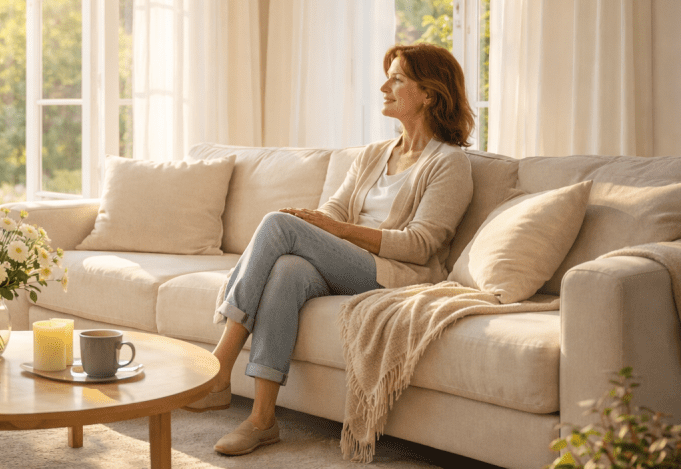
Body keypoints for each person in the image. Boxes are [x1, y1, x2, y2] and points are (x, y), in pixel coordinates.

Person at [185, 43, 476, 456]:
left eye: (397, 79)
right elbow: (334, 210)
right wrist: (319, 231)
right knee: (287, 268)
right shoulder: (375, 154)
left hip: (393, 274)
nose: (383, 87)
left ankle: (220, 364)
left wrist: (330, 230)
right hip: (348, 262)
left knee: (277, 224)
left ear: (429, 94)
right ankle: (262, 419)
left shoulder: (449, 163)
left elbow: (420, 244)